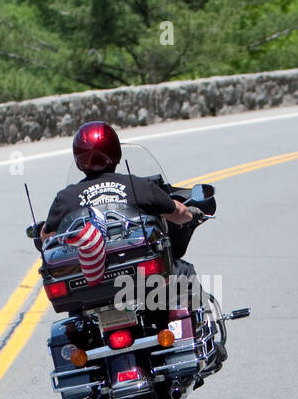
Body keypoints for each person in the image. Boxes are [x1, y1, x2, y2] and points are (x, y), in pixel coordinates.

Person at [40, 120, 204, 314]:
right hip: (142, 281)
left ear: (78, 158)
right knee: (185, 273)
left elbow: (47, 237)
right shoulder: (137, 185)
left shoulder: (65, 198)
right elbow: (178, 213)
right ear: (115, 152)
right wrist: (192, 215)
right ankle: (198, 331)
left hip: (88, 286)